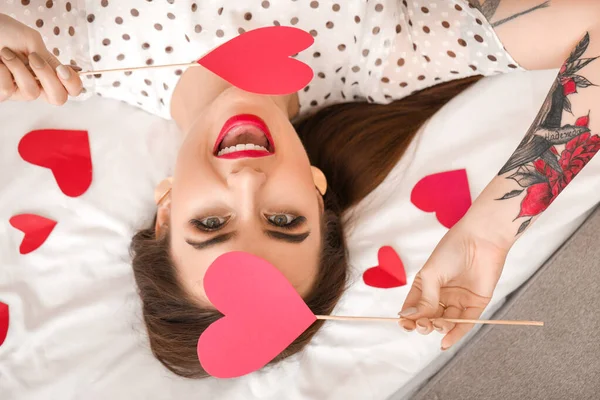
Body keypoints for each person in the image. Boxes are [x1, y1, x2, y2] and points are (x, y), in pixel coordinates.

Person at [1, 0, 599, 379]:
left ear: (165, 208)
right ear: (316, 189)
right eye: (284, 220)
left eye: (209, 224)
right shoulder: (387, 57)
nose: (246, 181)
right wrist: (490, 228)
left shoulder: (58, 47)